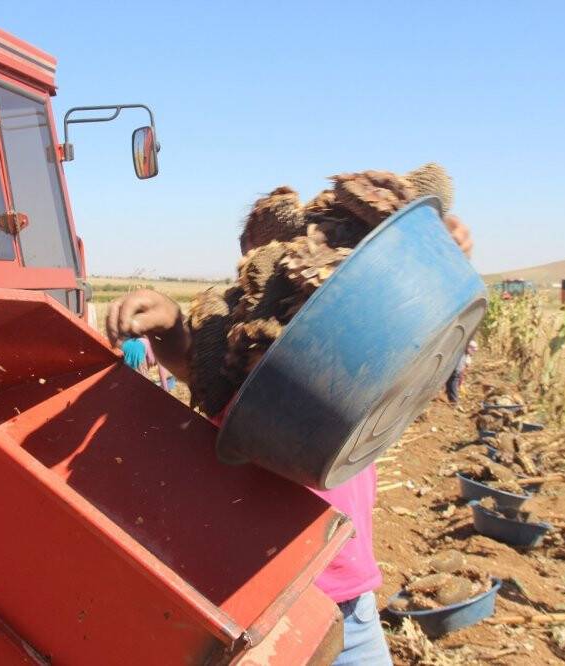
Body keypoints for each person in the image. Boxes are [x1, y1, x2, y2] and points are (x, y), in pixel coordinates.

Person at [106, 215, 473, 665]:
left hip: (353, 603)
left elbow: (417, 343)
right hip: (273, 610)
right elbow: (189, 362)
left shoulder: (352, 368)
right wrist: (168, 323)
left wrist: (437, 262)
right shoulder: (238, 376)